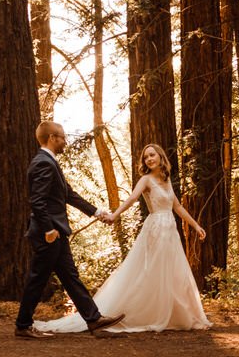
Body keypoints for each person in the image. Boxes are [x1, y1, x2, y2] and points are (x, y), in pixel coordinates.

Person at [35, 143, 211, 334]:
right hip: (155, 230)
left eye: (152, 155)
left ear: (161, 156)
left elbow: (177, 207)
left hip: (170, 231)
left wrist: (196, 225)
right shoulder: (146, 180)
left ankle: (174, 314)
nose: (149, 159)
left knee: (173, 271)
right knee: (150, 271)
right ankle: (143, 314)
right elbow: (132, 199)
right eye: (146, 157)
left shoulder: (166, 180)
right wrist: (114, 215)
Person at [15, 122, 124, 339]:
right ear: (52, 138)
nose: (65, 141)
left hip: (56, 232)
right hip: (49, 233)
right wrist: (48, 230)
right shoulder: (43, 163)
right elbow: (37, 201)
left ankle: (93, 320)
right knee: (38, 278)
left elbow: (69, 195)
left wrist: (98, 212)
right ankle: (23, 325)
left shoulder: (49, 162)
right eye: (63, 137)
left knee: (70, 277)